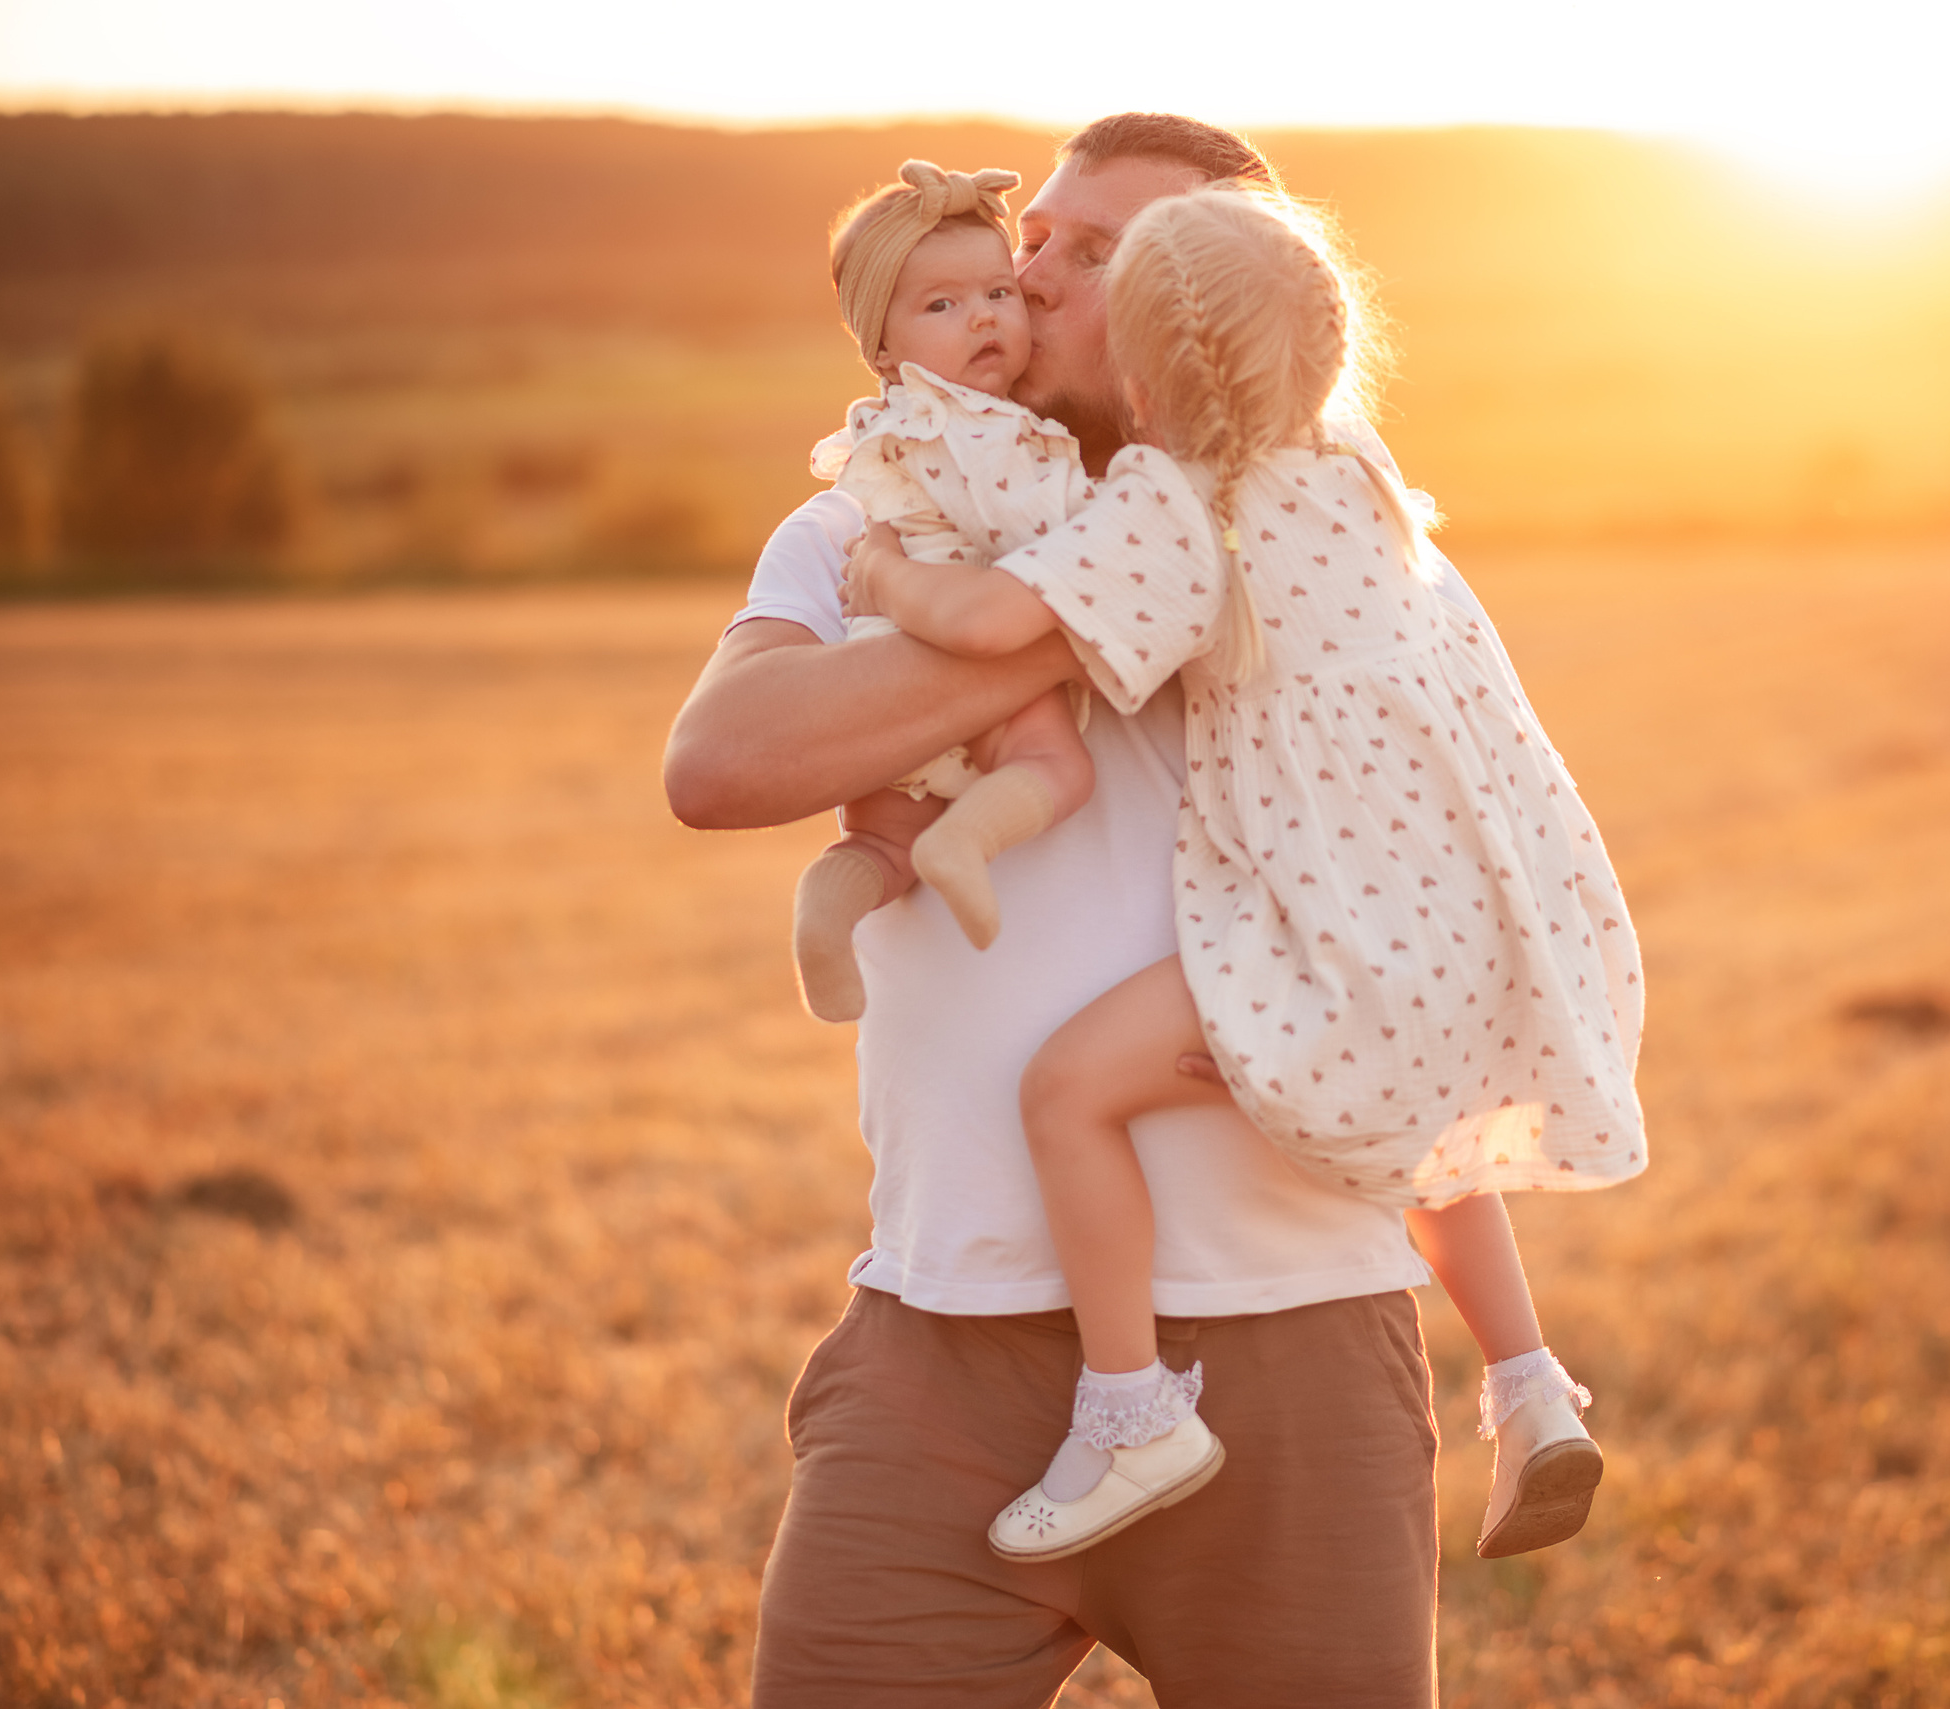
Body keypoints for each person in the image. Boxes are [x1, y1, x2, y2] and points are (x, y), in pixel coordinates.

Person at [663, 113, 1560, 1709]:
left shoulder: (1344, 542)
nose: (1041, 274)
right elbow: (722, 763)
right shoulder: (875, 519)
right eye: (1047, 241)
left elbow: (1464, 874)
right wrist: (1090, 605)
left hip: (1295, 1341)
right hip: (940, 1340)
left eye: (1108, 255)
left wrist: (1163, 559)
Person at [854, 186, 1647, 1567]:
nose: (1035, 288)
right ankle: (1528, 1386)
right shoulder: (1354, 470)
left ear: (1146, 377)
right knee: (1411, 1121)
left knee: (1067, 1088)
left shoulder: (1175, 502)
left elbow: (990, 618)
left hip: (1335, 942)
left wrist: (879, 566)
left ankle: (1130, 1407)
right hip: (1460, 930)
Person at [789, 159, 1095, 1022]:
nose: (985, 318)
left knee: (881, 835)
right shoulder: (986, 430)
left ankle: (829, 905)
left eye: (1000, 292)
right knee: (1054, 763)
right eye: (942, 306)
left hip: (881, 657)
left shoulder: (882, 429)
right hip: (966, 631)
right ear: (880, 348)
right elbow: (1021, 523)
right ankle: (967, 839)